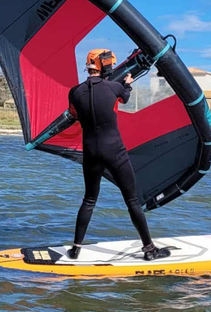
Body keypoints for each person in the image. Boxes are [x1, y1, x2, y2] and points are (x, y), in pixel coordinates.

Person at [66, 49, 171, 261]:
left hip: (91, 152)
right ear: (104, 66)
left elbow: (74, 114)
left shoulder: (74, 92)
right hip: (114, 150)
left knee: (89, 199)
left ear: (89, 66)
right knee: (132, 199)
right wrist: (128, 83)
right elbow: (124, 97)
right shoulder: (114, 88)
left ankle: (76, 249)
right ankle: (149, 249)